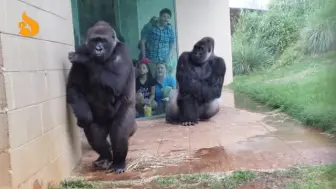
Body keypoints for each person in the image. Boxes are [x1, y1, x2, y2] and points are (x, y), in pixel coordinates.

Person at [140, 8, 176, 78]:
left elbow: (172, 43)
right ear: (159, 16)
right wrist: (144, 57)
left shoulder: (169, 29)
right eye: (164, 17)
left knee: (163, 81)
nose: (166, 19)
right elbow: (143, 41)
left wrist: (169, 56)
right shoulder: (150, 27)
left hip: (164, 60)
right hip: (151, 60)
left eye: (168, 18)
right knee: (152, 81)